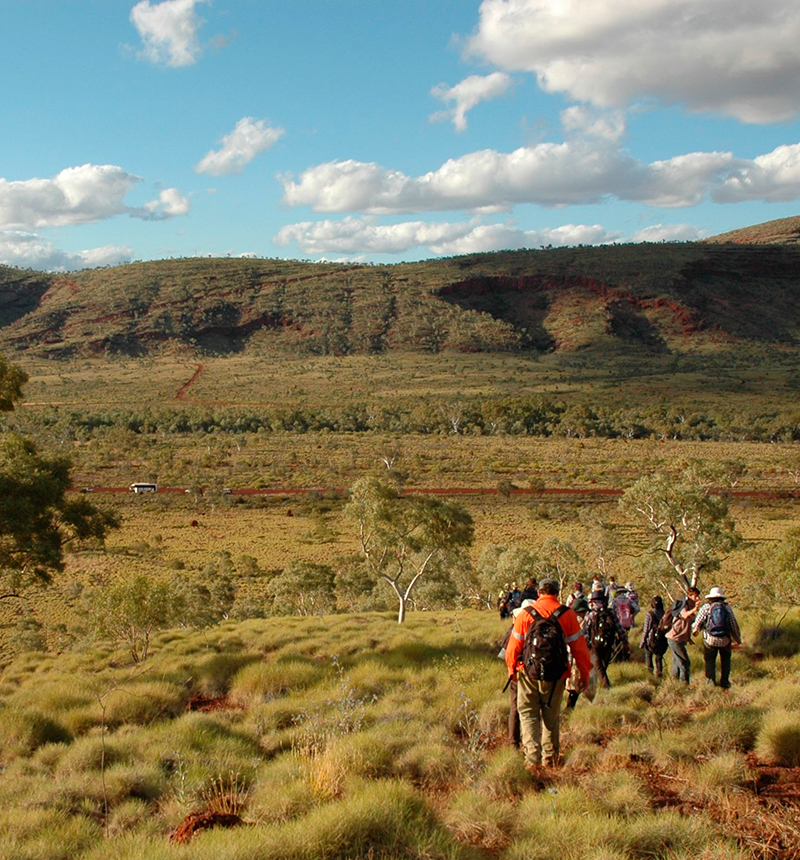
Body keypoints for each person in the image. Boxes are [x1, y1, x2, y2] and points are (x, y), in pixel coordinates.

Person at [505, 579, 590, 769]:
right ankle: (550, 761)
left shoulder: (525, 614)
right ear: (557, 593)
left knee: (528, 715)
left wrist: (512, 670)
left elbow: (513, 648)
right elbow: (580, 649)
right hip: (556, 675)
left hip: (528, 674)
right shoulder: (567, 615)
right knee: (551, 718)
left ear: (539, 593)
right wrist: (584, 675)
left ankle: (532, 760)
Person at [692, 586, 741, 689]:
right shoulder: (727, 608)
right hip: (725, 640)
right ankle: (725, 683)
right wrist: (738, 639)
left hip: (710, 640)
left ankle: (710, 682)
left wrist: (695, 631)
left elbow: (697, 623)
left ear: (710, 597)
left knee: (710, 660)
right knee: (726, 661)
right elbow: (733, 625)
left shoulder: (706, 607)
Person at [582, 589, 628, 687]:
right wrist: (625, 641)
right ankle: (604, 682)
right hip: (609, 641)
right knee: (604, 663)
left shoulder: (590, 614)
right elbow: (619, 628)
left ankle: (605, 684)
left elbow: (585, 630)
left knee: (598, 664)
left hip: (594, 643)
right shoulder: (610, 613)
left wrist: (585, 644)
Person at [665, 585, 700, 684]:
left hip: (680, 639)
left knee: (677, 663)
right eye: (695, 596)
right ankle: (684, 685)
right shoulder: (683, 605)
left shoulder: (691, 606)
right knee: (685, 663)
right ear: (689, 595)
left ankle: (673, 684)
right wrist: (695, 609)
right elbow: (684, 615)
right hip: (674, 639)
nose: (697, 598)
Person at [639, 595, 668, 677]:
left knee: (648, 656)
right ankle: (659, 675)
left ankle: (650, 676)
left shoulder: (650, 614)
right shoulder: (664, 614)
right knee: (659, 658)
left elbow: (646, 630)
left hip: (651, 641)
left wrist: (642, 642)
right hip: (662, 640)